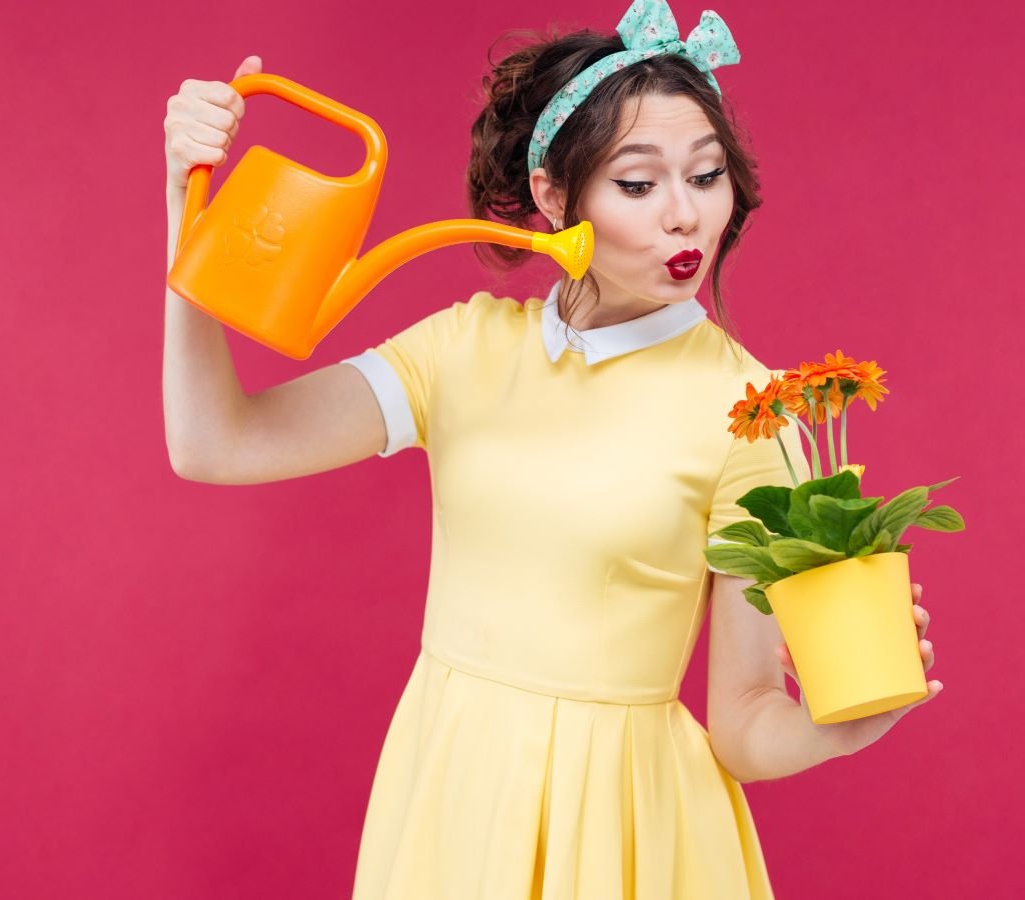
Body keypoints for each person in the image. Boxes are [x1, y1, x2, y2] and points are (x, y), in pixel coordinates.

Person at [162, 2, 941, 896]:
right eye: (639, 185)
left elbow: (745, 724)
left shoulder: (754, 414)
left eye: (707, 175)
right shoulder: (463, 349)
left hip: (626, 829)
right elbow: (216, 442)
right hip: (451, 799)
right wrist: (189, 205)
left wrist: (846, 725)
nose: (685, 217)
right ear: (554, 199)